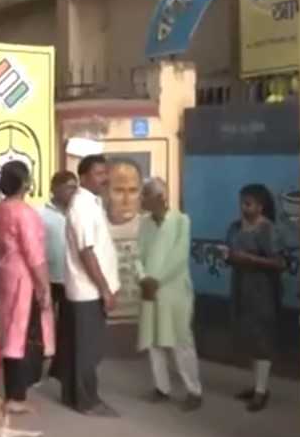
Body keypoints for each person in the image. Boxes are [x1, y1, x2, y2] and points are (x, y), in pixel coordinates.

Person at [0, 161, 53, 413]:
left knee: (10, 332)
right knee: (23, 335)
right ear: (25, 182)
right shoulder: (24, 213)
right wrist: (44, 286)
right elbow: (34, 255)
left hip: (4, 273)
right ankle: (16, 396)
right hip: (24, 277)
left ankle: (14, 392)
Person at [136, 178, 202, 411]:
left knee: (181, 341)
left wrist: (157, 280)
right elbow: (137, 254)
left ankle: (194, 391)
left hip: (174, 292)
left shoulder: (181, 221)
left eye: (145, 195)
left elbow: (179, 257)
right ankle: (162, 388)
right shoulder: (144, 223)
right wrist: (143, 278)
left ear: (160, 198)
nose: (140, 199)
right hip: (149, 291)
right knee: (154, 341)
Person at [61, 155, 120, 417]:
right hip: (88, 290)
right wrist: (105, 289)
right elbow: (87, 252)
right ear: (83, 177)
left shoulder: (91, 203)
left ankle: (73, 396)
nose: (103, 178)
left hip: (86, 289)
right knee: (88, 350)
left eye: (104, 173)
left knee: (80, 347)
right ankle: (88, 402)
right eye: (98, 173)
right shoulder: (82, 207)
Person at [225, 183, 285, 412]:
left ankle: (262, 391)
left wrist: (251, 260)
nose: (243, 207)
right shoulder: (235, 228)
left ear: (260, 207)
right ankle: (257, 385)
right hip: (242, 288)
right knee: (250, 338)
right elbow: (230, 253)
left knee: (262, 340)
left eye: (248, 204)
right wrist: (230, 257)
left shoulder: (268, 230)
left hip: (263, 291)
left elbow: (280, 263)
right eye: (242, 202)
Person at [43, 171, 77, 387]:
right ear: (55, 188)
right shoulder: (41, 214)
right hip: (47, 277)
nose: (72, 192)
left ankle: (60, 368)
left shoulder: (78, 212)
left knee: (67, 324)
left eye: (75, 187)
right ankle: (35, 368)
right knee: (43, 323)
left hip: (70, 278)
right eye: (68, 187)